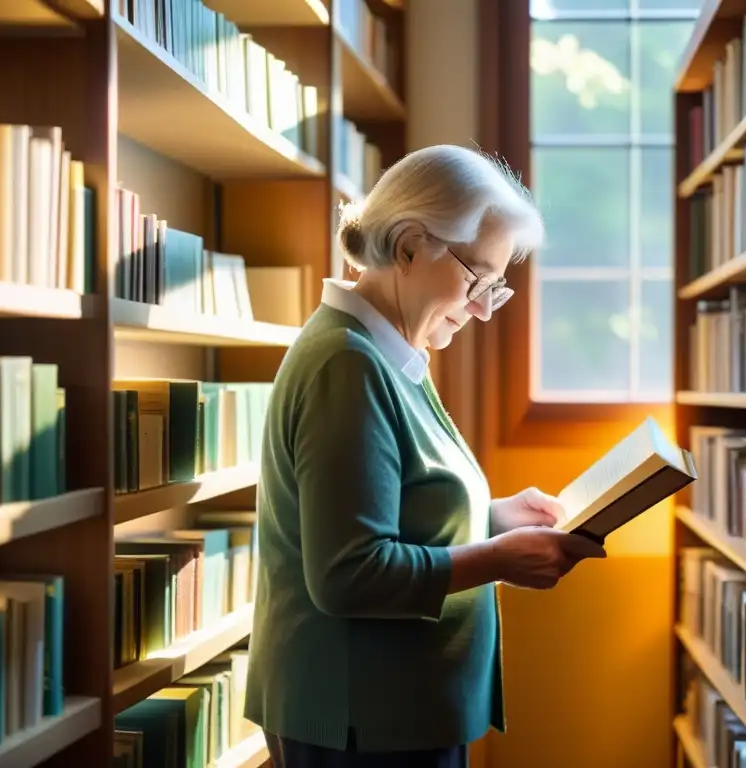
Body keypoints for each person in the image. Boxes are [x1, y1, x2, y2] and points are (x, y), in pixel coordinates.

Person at [244, 144, 607, 768]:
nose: (479, 309)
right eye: (477, 280)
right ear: (410, 247)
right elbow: (349, 573)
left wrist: (491, 516)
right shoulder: (349, 365)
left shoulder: (385, 351)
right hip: (362, 720)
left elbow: (392, 505)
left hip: (390, 711)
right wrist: (496, 559)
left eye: (494, 287)